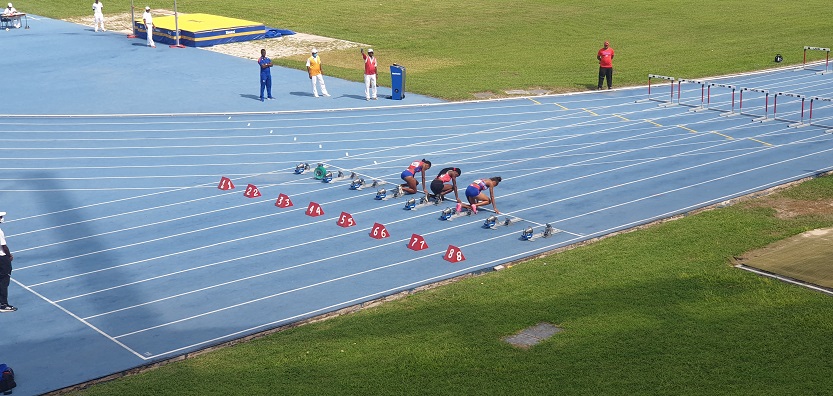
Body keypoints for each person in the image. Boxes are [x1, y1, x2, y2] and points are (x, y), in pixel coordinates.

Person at [0, 212, 15, 313]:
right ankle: (3, 304)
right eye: (1, 217)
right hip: (2, 259)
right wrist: (9, 255)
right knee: (4, 281)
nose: (2, 218)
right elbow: (4, 246)